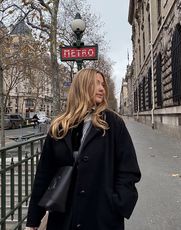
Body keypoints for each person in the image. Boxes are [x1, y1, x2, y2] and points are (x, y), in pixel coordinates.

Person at [25, 68, 141, 230]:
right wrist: (33, 220)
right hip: (64, 218)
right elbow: (44, 174)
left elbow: (129, 170)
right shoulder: (60, 127)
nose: (102, 88)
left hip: (102, 218)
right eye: (96, 83)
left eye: (103, 84)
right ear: (81, 87)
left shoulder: (113, 123)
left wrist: (117, 203)